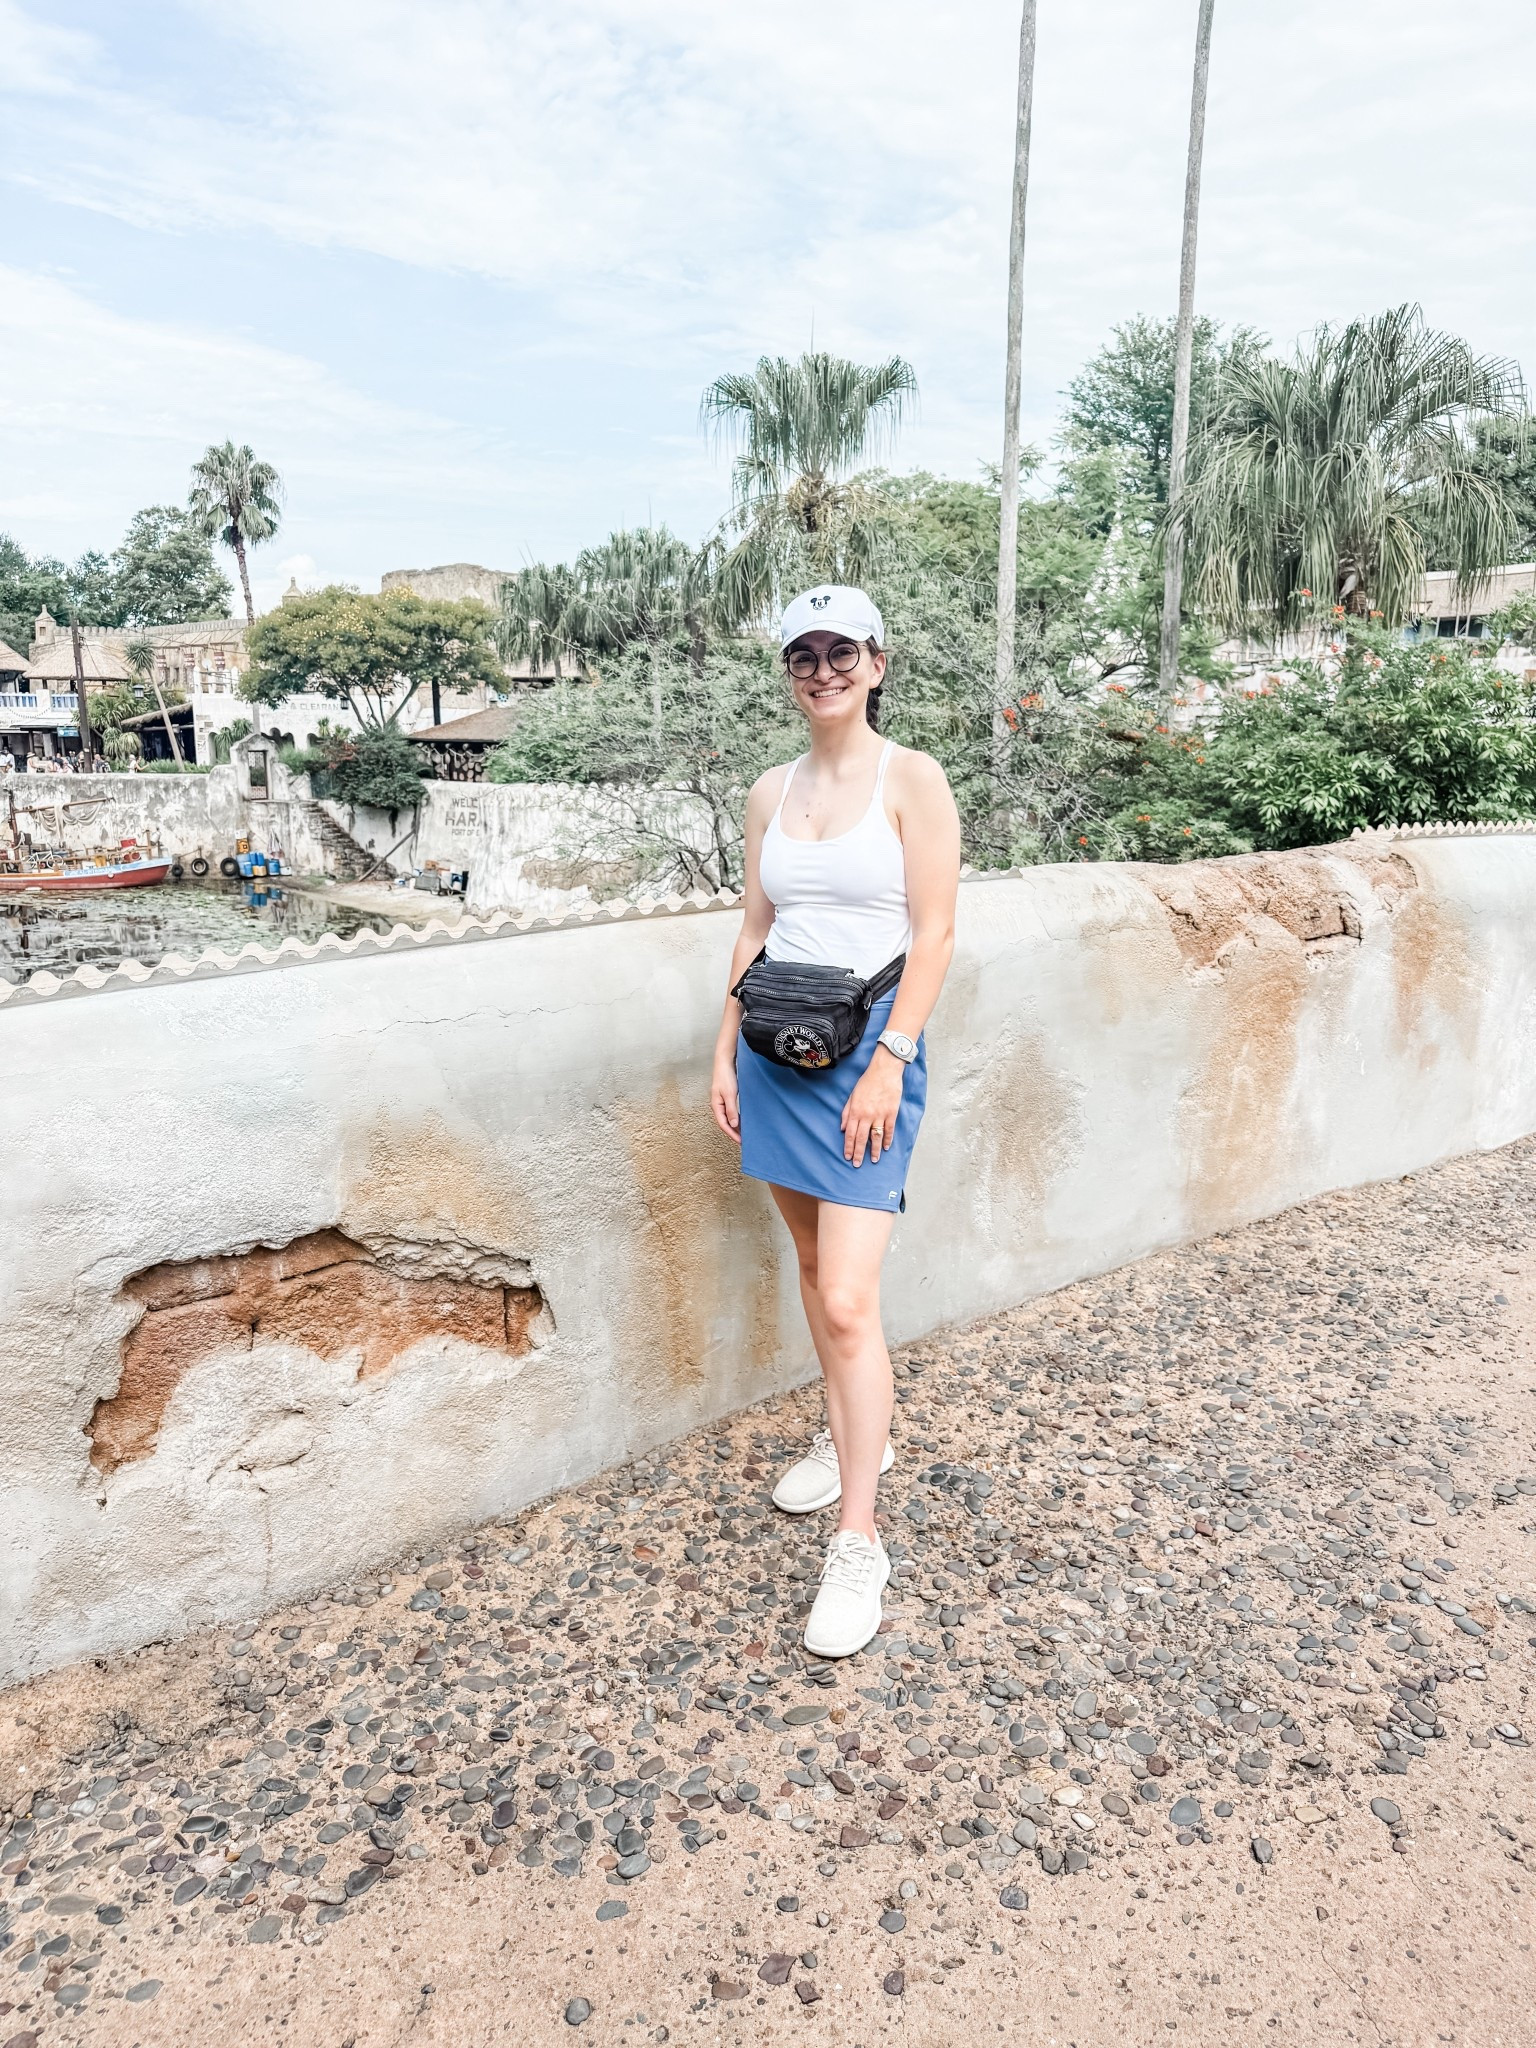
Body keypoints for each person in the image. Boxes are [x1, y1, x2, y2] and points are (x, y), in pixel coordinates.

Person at [711, 585, 961, 1659]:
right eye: (803, 654)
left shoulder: (913, 778)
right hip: (774, 1054)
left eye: (842, 651)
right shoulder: (771, 789)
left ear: (878, 661)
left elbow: (939, 928)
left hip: (867, 1059)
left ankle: (860, 1538)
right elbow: (757, 924)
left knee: (851, 1298)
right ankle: (850, 1429)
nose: (823, 669)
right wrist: (720, 1048)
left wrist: (889, 1061)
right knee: (815, 1276)